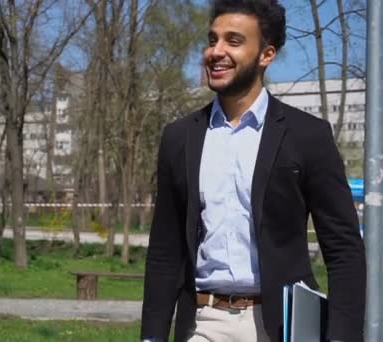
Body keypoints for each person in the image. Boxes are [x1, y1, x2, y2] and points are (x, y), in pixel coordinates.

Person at [140, 1, 366, 341]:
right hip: (203, 323)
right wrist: (152, 336)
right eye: (212, 39)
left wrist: (341, 336)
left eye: (233, 41)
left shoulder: (308, 136)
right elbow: (164, 251)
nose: (216, 51)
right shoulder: (179, 137)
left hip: (279, 325)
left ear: (266, 55)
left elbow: (344, 249)